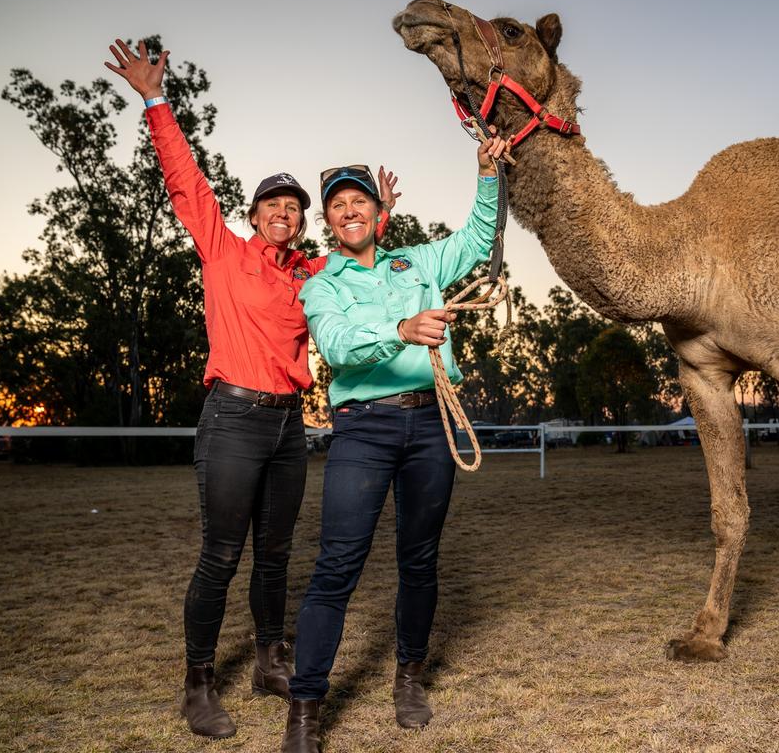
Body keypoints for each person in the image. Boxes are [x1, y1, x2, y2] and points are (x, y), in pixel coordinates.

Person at [103, 39, 399, 740]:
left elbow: (361, 254)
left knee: (276, 556)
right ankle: (198, 682)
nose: (286, 213)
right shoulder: (223, 250)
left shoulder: (314, 274)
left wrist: (377, 216)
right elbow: (184, 177)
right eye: (275, 204)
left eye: (295, 207)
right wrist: (155, 101)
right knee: (221, 556)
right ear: (254, 212)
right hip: (232, 420)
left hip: (288, 426)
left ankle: (272, 660)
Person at [281, 133, 509, 752]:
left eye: (360, 201)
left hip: (432, 423)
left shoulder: (418, 263)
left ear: (379, 213)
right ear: (327, 221)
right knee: (337, 565)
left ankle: (409, 676)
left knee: (419, 558)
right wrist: (402, 328)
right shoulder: (322, 285)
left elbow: (477, 239)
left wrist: (487, 174)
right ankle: (304, 709)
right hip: (364, 428)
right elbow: (335, 347)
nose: (350, 210)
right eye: (337, 205)